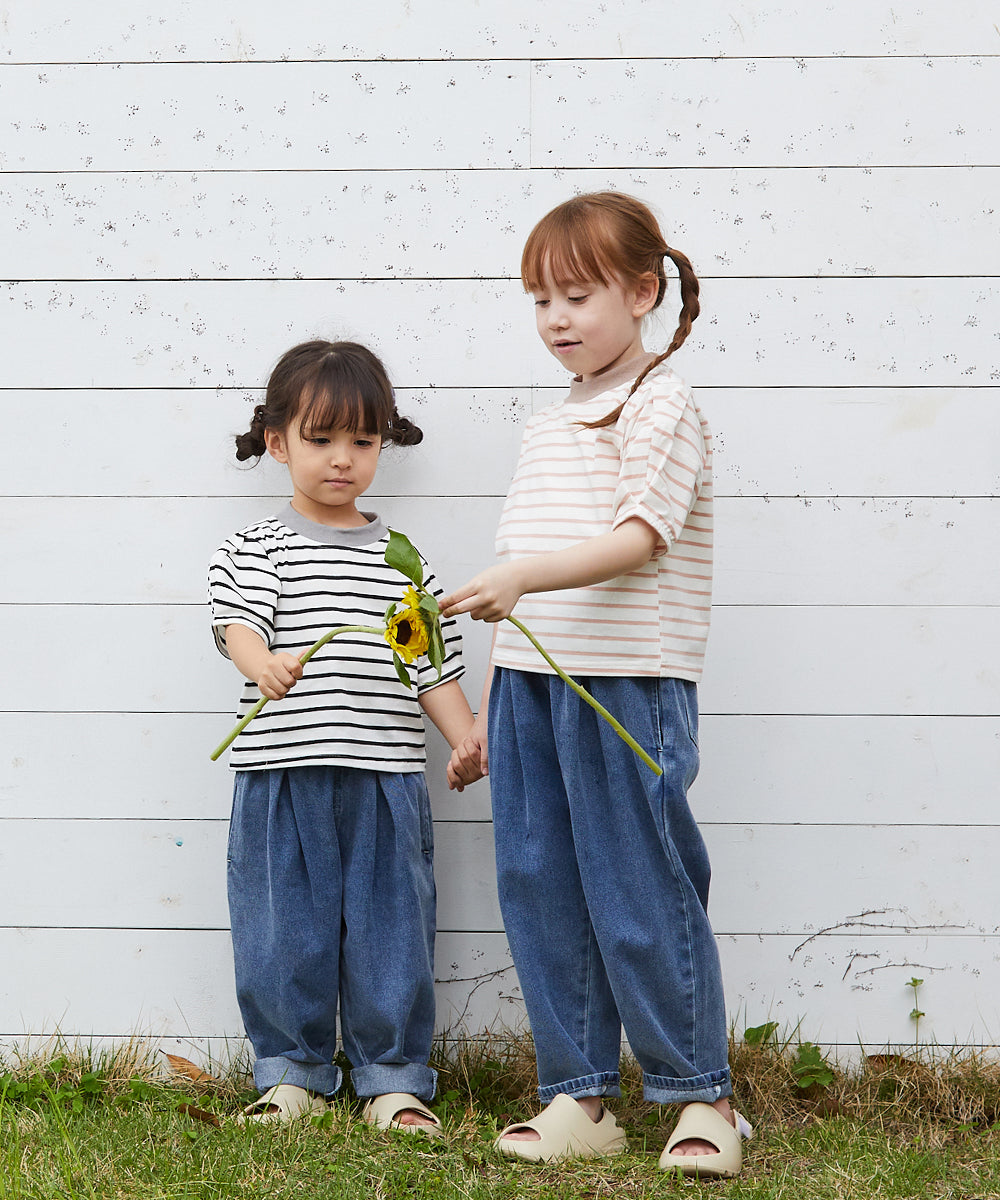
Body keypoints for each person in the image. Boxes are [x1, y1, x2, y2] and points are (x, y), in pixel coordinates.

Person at [441, 193, 751, 1177]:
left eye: (575, 295)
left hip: (624, 686)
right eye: (539, 300)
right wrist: (491, 708)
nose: (556, 320)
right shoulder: (548, 422)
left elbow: (637, 538)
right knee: (539, 888)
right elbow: (515, 576)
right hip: (533, 688)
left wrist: (522, 578)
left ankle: (701, 1098)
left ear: (642, 291)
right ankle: (577, 1096)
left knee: (638, 890)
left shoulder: (662, 401)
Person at [209, 339, 476, 1132]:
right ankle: (291, 1071)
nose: (342, 460)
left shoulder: (404, 564)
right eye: (321, 439)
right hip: (282, 775)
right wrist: (264, 666)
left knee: (391, 927)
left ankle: (392, 1076)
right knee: (282, 927)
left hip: (385, 776)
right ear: (278, 441)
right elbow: (238, 629)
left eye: (362, 441)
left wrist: (465, 740)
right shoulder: (256, 548)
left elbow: (431, 668)